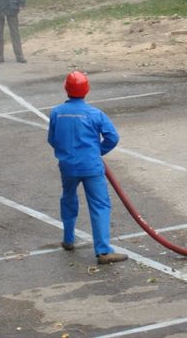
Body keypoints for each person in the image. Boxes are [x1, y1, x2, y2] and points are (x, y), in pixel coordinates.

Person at [47, 71, 127, 265]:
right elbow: (113, 137)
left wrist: (67, 153)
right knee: (99, 205)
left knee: (68, 199)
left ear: (66, 89)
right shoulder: (95, 113)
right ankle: (103, 251)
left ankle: (68, 239)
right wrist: (97, 150)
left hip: (67, 166)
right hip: (91, 166)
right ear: (87, 89)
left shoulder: (57, 112)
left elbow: (52, 139)